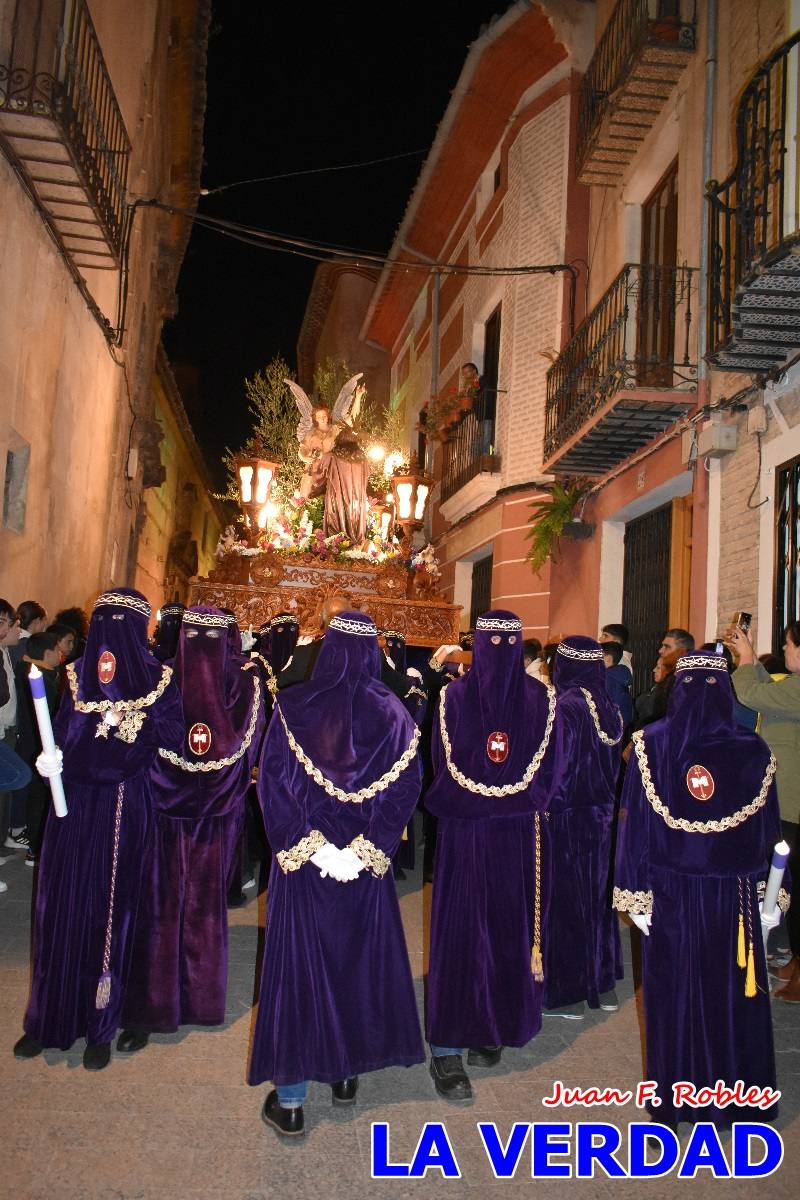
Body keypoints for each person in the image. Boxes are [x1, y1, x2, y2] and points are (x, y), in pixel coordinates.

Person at [249, 611, 424, 1136]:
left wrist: (309, 846)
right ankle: (346, 1074)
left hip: (305, 866)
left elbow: (273, 784)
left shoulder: (294, 706)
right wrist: (367, 847)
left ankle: (294, 1098)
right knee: (354, 964)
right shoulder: (396, 714)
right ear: (372, 652)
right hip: (363, 867)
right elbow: (406, 788)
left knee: (300, 971)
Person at [614, 650, 786, 1128]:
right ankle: (732, 1098)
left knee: (678, 994)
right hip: (730, 897)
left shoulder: (652, 744)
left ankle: (676, 1101)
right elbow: (770, 833)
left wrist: (635, 892)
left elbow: (635, 830)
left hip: (675, 892)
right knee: (727, 992)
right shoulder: (752, 750)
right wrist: (770, 893)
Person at [13, 588, 184, 1071]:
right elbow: (64, 729)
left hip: (125, 807)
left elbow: (173, 740)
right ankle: (51, 1018)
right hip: (76, 808)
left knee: (113, 911)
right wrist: (51, 761)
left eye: (119, 622)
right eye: (101, 620)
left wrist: (133, 730)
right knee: (65, 904)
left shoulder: (161, 680)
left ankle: (102, 1020)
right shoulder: (74, 674)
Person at [425, 611, 561, 1100]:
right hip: (468, 838)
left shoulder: (543, 701)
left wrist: (496, 800)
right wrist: (512, 798)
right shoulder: (454, 698)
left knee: (507, 930)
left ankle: (491, 1023)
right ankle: (446, 1047)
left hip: (514, 837)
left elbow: (552, 770)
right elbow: (444, 766)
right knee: (461, 934)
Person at [119, 607, 265, 1049]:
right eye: (193, 635)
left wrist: (223, 792)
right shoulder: (160, 681)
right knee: (157, 909)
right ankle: (148, 1008)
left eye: (210, 637)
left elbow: (248, 748)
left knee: (204, 907)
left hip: (215, 817)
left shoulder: (244, 686)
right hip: (162, 813)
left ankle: (201, 998)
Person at [545, 637, 624, 1018]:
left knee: (565, 903)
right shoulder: (610, 708)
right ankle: (601, 980)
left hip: (568, 818)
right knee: (596, 901)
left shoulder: (566, 708)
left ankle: (567, 991)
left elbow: (558, 770)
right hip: (602, 817)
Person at [730, 620, 800, 1002]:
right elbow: (768, 689)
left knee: (795, 885)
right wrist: (751, 656)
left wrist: (743, 659)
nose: (786, 651)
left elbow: (754, 695)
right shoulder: (792, 687)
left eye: (789, 645)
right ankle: (794, 963)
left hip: (792, 802)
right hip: (788, 800)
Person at [13, 630, 62, 864]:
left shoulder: (37, 673)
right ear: (47, 652)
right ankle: (35, 845)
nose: (62, 654)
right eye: (58, 650)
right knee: (39, 795)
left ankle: (35, 844)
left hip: (31, 742)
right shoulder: (40, 678)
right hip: (36, 744)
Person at [602, 640, 633, 731]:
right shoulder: (618, 677)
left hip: (607, 731)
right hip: (619, 729)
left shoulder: (607, 679)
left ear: (608, 658)